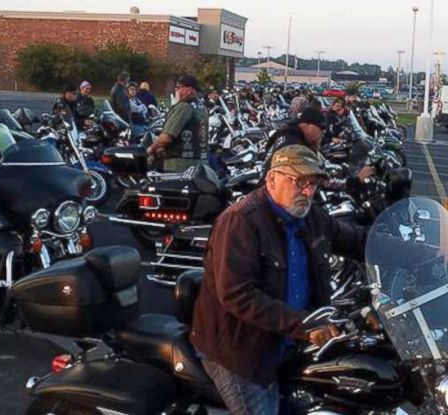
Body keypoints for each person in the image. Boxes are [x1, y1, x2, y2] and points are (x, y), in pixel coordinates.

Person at [190, 144, 368, 415]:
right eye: (300, 182)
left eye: (313, 184)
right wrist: (303, 326)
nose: (308, 192)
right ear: (272, 179)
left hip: (287, 342)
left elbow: (355, 239)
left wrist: (407, 245)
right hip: (241, 352)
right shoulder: (241, 221)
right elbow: (238, 294)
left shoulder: (311, 217)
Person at [145, 75, 208, 172]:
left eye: (179, 87)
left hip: (179, 165)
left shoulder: (183, 107)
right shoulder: (201, 108)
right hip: (200, 164)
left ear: (189, 90)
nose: (176, 91)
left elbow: (166, 138)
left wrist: (150, 149)